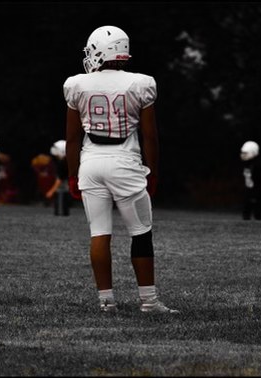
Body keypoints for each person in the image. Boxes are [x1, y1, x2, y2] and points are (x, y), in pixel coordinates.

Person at [64, 25, 179, 314]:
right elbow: (150, 136)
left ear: (101, 52)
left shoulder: (77, 84)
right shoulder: (140, 83)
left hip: (91, 162)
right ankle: (149, 301)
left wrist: (71, 173)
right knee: (141, 233)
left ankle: (106, 301)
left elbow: (73, 138)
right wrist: (152, 171)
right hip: (125, 162)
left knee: (99, 233)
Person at [240, 140, 261, 220]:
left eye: (246, 153)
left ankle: (257, 216)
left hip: (256, 189)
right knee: (246, 208)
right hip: (248, 189)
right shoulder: (246, 164)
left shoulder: (257, 165)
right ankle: (247, 216)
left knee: (257, 209)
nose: (243, 155)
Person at [45, 140, 70, 216]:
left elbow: (60, 179)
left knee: (61, 205)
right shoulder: (66, 161)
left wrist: (51, 191)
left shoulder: (63, 163)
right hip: (65, 187)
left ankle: (61, 213)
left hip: (63, 189)